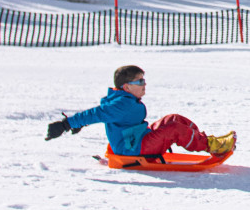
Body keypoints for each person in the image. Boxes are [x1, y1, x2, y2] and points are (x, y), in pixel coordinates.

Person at [45, 65, 236, 156]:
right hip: (133, 148)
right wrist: (66, 124)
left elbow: (101, 115)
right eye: (140, 82)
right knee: (174, 129)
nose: (144, 85)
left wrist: (80, 124)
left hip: (137, 138)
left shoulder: (124, 99)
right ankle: (212, 146)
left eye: (144, 80)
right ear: (127, 86)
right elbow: (97, 114)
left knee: (173, 119)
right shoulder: (121, 104)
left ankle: (207, 141)